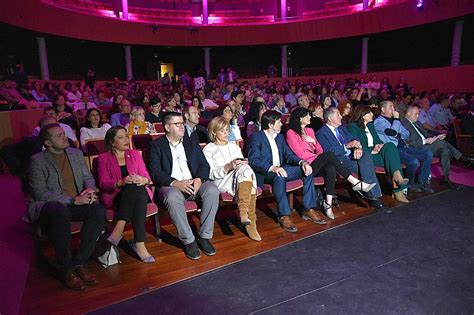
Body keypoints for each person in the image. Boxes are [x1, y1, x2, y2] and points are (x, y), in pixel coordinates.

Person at [27, 123, 106, 290]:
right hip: (53, 206)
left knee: (98, 210)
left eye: (64, 133)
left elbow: (88, 177)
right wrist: (72, 200)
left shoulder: (76, 154)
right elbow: (40, 193)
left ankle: (79, 262)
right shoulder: (37, 161)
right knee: (59, 211)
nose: (66, 137)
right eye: (60, 135)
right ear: (48, 143)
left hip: (78, 201)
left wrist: (90, 189)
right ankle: (67, 268)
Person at [148, 112, 220, 260]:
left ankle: (204, 237)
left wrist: (199, 179)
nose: (182, 127)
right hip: (172, 185)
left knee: (212, 190)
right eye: (177, 124)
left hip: (194, 182)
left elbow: (204, 165)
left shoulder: (190, 142)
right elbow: (155, 172)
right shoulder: (157, 145)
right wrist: (175, 183)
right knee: (172, 197)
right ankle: (189, 240)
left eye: (182, 123)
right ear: (167, 127)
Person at [287, 108, 376, 219]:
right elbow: (301, 155)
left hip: (317, 162)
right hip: (306, 165)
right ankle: (355, 183)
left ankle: (328, 204)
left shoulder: (310, 131)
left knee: (331, 167)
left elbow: (320, 150)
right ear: (300, 118)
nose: (310, 117)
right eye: (307, 116)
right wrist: (318, 156)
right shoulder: (291, 133)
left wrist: (313, 142)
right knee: (329, 155)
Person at [248, 110, 321, 232]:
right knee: (279, 176)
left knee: (307, 170)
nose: (282, 124)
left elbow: (288, 155)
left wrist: (302, 162)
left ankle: (308, 209)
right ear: (271, 125)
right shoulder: (256, 137)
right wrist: (273, 168)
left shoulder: (280, 137)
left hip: (281, 168)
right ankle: (284, 215)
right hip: (266, 172)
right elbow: (254, 161)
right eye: (278, 122)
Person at [316, 107, 391, 213]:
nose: (341, 116)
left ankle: (367, 190)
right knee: (368, 168)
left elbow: (354, 138)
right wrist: (346, 146)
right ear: (330, 118)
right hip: (339, 161)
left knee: (366, 155)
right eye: (338, 114)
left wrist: (358, 147)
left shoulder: (341, 129)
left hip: (351, 156)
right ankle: (376, 200)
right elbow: (328, 151)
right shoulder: (321, 133)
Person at [97, 126, 155, 263]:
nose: (125, 139)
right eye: (120, 137)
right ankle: (140, 245)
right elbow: (103, 183)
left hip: (138, 192)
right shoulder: (103, 158)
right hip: (117, 196)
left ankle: (118, 229)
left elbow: (147, 176)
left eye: (126, 136)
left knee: (135, 185)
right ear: (112, 142)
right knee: (134, 188)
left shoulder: (135, 154)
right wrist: (120, 182)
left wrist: (143, 180)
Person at [203, 117, 261, 241]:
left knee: (246, 170)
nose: (227, 133)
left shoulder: (234, 146)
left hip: (239, 178)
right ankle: (250, 222)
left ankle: (244, 213)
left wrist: (243, 163)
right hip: (222, 179)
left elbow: (241, 167)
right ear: (214, 132)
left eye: (227, 130)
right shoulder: (209, 149)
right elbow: (210, 174)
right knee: (247, 176)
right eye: (223, 131)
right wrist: (228, 167)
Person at [402, 105, 474, 190]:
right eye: (416, 114)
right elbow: (410, 143)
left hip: (427, 145)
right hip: (417, 148)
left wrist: (436, 137)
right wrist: (426, 141)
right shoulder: (404, 124)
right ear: (408, 113)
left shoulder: (417, 123)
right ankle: (463, 159)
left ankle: (446, 177)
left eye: (418, 114)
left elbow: (426, 134)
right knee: (443, 144)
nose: (418, 116)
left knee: (445, 150)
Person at [348, 105, 410, 203]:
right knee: (393, 160)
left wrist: (379, 145)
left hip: (376, 153)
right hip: (366, 157)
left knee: (390, 145)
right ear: (363, 115)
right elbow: (357, 145)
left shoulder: (371, 125)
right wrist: (372, 149)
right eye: (369, 113)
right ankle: (398, 189)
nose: (372, 114)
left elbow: (377, 140)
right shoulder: (353, 127)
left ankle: (397, 176)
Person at [374, 101, 434, 193]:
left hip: (404, 147)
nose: (393, 110)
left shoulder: (393, 120)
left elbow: (406, 134)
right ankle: (410, 183)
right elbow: (392, 131)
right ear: (383, 109)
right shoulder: (378, 122)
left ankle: (423, 182)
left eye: (394, 107)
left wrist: (397, 134)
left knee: (428, 154)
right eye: (391, 107)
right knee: (413, 161)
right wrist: (397, 120)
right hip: (393, 150)